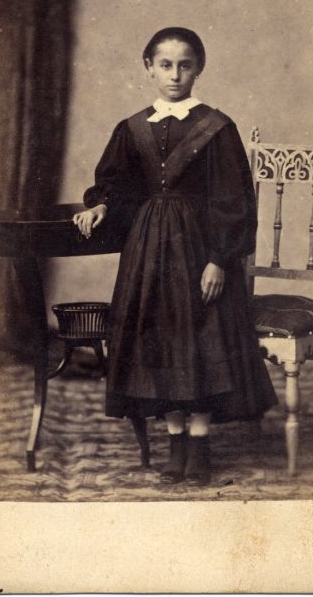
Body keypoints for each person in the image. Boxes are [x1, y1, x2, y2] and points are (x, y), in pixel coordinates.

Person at [73, 27, 278, 486]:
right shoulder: (131, 128)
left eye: (185, 65)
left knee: (201, 340)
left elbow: (234, 200)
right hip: (148, 252)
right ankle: (175, 442)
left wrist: (219, 259)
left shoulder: (217, 128)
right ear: (148, 68)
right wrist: (101, 204)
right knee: (159, 340)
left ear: (198, 68)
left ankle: (199, 444)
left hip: (199, 249)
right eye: (165, 65)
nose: (174, 75)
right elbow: (117, 185)